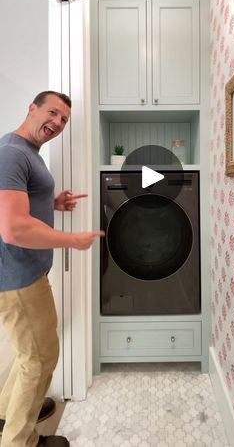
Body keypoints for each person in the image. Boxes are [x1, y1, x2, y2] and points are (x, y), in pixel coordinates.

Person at [0, 91, 104, 447]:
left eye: (64, 120)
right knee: (40, 358)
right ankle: (19, 440)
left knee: (30, 353)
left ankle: (4, 414)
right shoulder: (12, 154)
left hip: (25, 274)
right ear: (31, 108)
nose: (58, 123)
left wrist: (52, 203)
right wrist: (72, 240)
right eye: (53, 113)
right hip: (18, 279)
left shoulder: (25, 152)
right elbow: (13, 228)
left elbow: (19, 205)